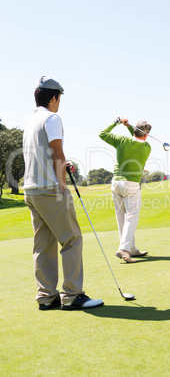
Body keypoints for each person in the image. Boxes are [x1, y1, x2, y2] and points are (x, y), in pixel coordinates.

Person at [23, 76, 104, 310]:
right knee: (72, 240)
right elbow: (57, 152)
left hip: (32, 191)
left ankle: (46, 297)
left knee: (43, 244)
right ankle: (72, 295)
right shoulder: (52, 118)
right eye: (60, 98)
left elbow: (43, 155)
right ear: (54, 97)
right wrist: (62, 184)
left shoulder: (30, 121)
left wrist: (62, 165)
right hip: (50, 190)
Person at [99, 117, 152, 263]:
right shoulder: (147, 147)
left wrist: (117, 123)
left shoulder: (121, 141)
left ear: (134, 130)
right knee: (131, 217)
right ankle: (123, 249)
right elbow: (136, 139)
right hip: (131, 184)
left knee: (121, 217)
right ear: (146, 135)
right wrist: (130, 128)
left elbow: (102, 134)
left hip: (116, 183)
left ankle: (132, 248)